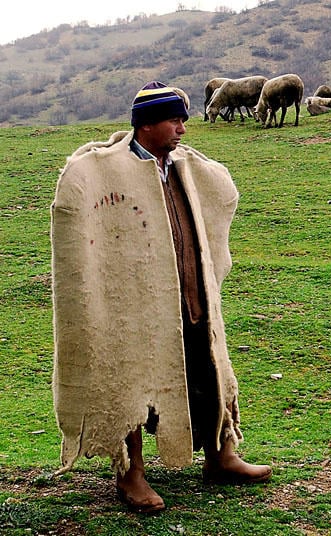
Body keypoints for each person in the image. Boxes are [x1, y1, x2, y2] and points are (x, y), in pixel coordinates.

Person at [50, 81, 272, 513]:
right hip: (135, 305)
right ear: (147, 124)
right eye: (175, 121)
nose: (183, 130)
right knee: (131, 383)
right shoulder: (108, 171)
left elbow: (221, 194)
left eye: (183, 121)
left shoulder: (184, 167)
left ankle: (221, 456)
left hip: (192, 296)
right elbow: (77, 218)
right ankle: (130, 473)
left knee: (209, 371)